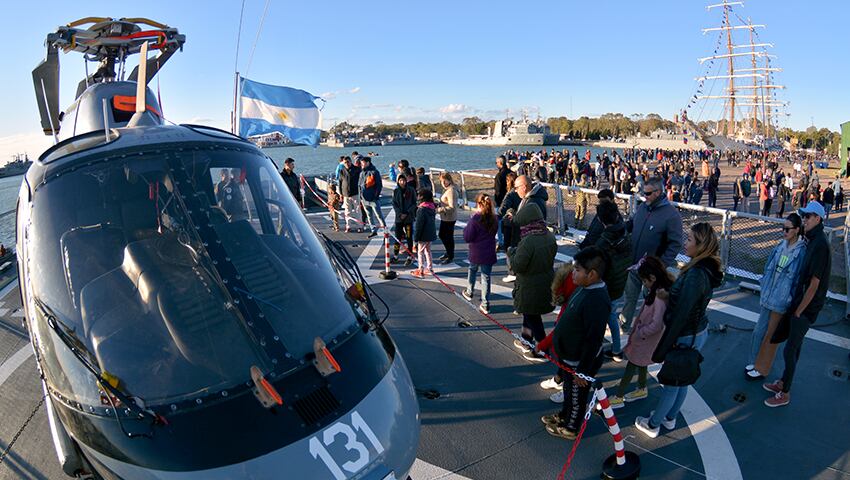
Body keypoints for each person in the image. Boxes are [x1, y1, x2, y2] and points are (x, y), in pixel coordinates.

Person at [635, 223, 723, 438]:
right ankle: (670, 417)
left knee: (671, 382)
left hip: (685, 334)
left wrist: (664, 346)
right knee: (682, 380)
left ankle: (654, 424)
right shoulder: (706, 270)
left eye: (690, 239)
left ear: (700, 245)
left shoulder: (695, 275)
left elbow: (681, 313)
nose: (685, 243)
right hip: (697, 331)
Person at [764, 201, 831, 407]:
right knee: (795, 347)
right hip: (801, 303)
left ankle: (784, 392)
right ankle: (784, 382)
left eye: (808, 217)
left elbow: (814, 283)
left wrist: (799, 311)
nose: (804, 220)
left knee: (790, 350)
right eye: (804, 216)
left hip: (806, 307)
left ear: (818, 219)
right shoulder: (813, 239)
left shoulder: (820, 244)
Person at [541, 247, 611, 440]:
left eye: (577, 270)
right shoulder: (584, 288)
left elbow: (593, 339)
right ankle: (564, 415)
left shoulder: (596, 300)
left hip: (578, 362)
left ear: (592, 274)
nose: (573, 273)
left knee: (577, 396)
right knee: (568, 391)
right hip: (568, 356)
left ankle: (571, 427)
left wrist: (583, 370)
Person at [745, 213, 806, 380]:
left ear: (797, 230)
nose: (784, 231)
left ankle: (762, 368)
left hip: (781, 300)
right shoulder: (780, 246)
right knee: (758, 331)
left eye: (788, 229)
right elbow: (769, 268)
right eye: (783, 228)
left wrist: (789, 299)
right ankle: (753, 361)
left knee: (771, 336)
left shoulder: (800, 253)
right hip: (769, 295)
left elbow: (798, 280)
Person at [621, 177, 683, 333]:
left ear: (658, 192)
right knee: (629, 298)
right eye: (643, 192)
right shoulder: (643, 207)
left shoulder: (672, 215)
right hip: (635, 264)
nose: (645, 195)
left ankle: (649, 329)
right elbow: (632, 224)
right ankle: (624, 325)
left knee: (652, 302)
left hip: (652, 271)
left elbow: (675, 244)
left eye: (647, 193)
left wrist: (660, 266)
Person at [609, 256, 672, 408]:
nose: (643, 284)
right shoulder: (657, 291)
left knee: (631, 366)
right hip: (646, 340)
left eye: (644, 281)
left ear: (652, 277)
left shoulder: (659, 297)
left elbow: (657, 325)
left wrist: (640, 332)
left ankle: (618, 396)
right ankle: (642, 388)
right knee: (642, 363)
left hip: (644, 339)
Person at [508, 203, 556, 362]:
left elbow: (518, 266)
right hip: (545, 281)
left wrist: (511, 252)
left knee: (533, 316)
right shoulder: (548, 235)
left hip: (530, 285)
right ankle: (525, 339)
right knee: (530, 312)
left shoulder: (528, 241)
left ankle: (543, 349)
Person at [593, 201, 632, 362]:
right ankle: (616, 349)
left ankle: (596, 351)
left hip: (605, 287)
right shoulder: (625, 233)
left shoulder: (603, 242)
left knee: (599, 320)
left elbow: (597, 268)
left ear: (601, 221)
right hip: (620, 282)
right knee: (612, 317)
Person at [462, 193, 498, 314]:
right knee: (486, 277)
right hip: (489, 252)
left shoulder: (475, 219)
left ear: (478, 204)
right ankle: (485, 303)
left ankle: (469, 291)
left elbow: (468, 237)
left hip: (476, 252)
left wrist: (467, 227)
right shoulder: (494, 218)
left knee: (472, 270)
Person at [411, 189, 437, 278]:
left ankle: (421, 269)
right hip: (431, 233)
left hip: (423, 235)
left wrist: (416, 238)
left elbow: (419, 225)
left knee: (420, 252)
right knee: (428, 251)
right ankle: (430, 268)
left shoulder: (421, 209)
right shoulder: (432, 207)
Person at [391, 175, 417, 266]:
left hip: (408, 218)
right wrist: (399, 214)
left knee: (409, 237)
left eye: (404, 180)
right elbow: (394, 204)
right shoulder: (396, 191)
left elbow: (414, 203)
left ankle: (410, 256)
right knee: (397, 237)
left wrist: (407, 212)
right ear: (398, 181)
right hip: (399, 218)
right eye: (400, 181)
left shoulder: (411, 190)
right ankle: (395, 255)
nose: (402, 182)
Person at [358, 157, 385, 238]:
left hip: (373, 199)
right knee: (369, 216)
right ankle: (373, 230)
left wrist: (375, 196)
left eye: (363, 163)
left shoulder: (374, 172)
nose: (362, 165)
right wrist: (360, 198)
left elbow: (379, 185)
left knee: (379, 215)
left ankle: (385, 231)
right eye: (361, 163)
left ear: (368, 163)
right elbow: (359, 186)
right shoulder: (362, 173)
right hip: (364, 199)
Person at [436, 172, 458, 264]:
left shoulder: (451, 191)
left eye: (445, 181)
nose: (443, 183)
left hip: (449, 218)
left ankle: (450, 255)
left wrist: (439, 209)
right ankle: (448, 252)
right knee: (443, 235)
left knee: (448, 237)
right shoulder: (447, 189)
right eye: (442, 181)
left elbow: (452, 207)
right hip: (445, 217)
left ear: (449, 180)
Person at [338, 157, 362, 232]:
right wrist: (340, 194)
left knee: (357, 210)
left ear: (351, 161)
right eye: (345, 162)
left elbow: (361, 181)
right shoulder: (342, 170)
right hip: (346, 194)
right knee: (347, 211)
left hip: (355, 193)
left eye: (348, 162)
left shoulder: (357, 169)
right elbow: (340, 183)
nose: (347, 164)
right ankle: (348, 226)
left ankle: (360, 226)